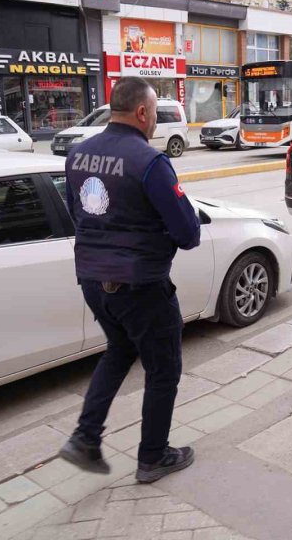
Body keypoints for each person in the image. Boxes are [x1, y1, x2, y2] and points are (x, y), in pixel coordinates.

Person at [58, 77, 201, 484]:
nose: (156, 120)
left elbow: (79, 214)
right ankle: (153, 457)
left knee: (119, 349)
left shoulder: (78, 154)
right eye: (155, 112)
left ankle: (85, 437)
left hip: (91, 278)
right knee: (163, 370)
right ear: (142, 112)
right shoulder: (149, 161)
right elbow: (188, 234)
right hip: (141, 285)